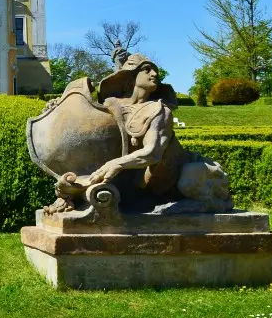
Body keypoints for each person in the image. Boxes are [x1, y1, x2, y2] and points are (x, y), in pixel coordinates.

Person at [86, 53, 231, 213]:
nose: (154, 74)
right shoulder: (110, 105)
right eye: (146, 70)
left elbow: (153, 153)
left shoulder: (159, 111)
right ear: (130, 77)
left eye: (155, 71)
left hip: (175, 176)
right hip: (138, 183)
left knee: (188, 181)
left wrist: (116, 164)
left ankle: (206, 202)